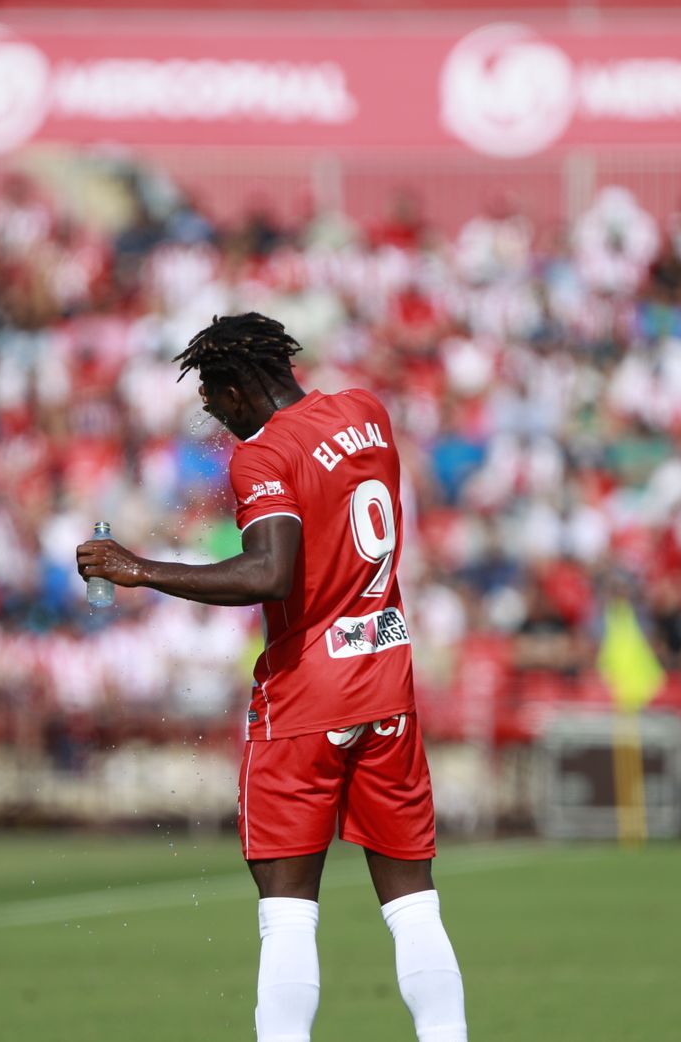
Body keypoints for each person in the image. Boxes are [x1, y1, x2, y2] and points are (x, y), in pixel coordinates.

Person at [77, 313, 467, 1042]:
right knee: (415, 906)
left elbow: (271, 571)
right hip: (386, 680)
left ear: (236, 385)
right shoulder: (366, 411)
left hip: (305, 699)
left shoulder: (262, 457)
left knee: (288, 915)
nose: (216, 419)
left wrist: (142, 571)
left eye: (215, 402)